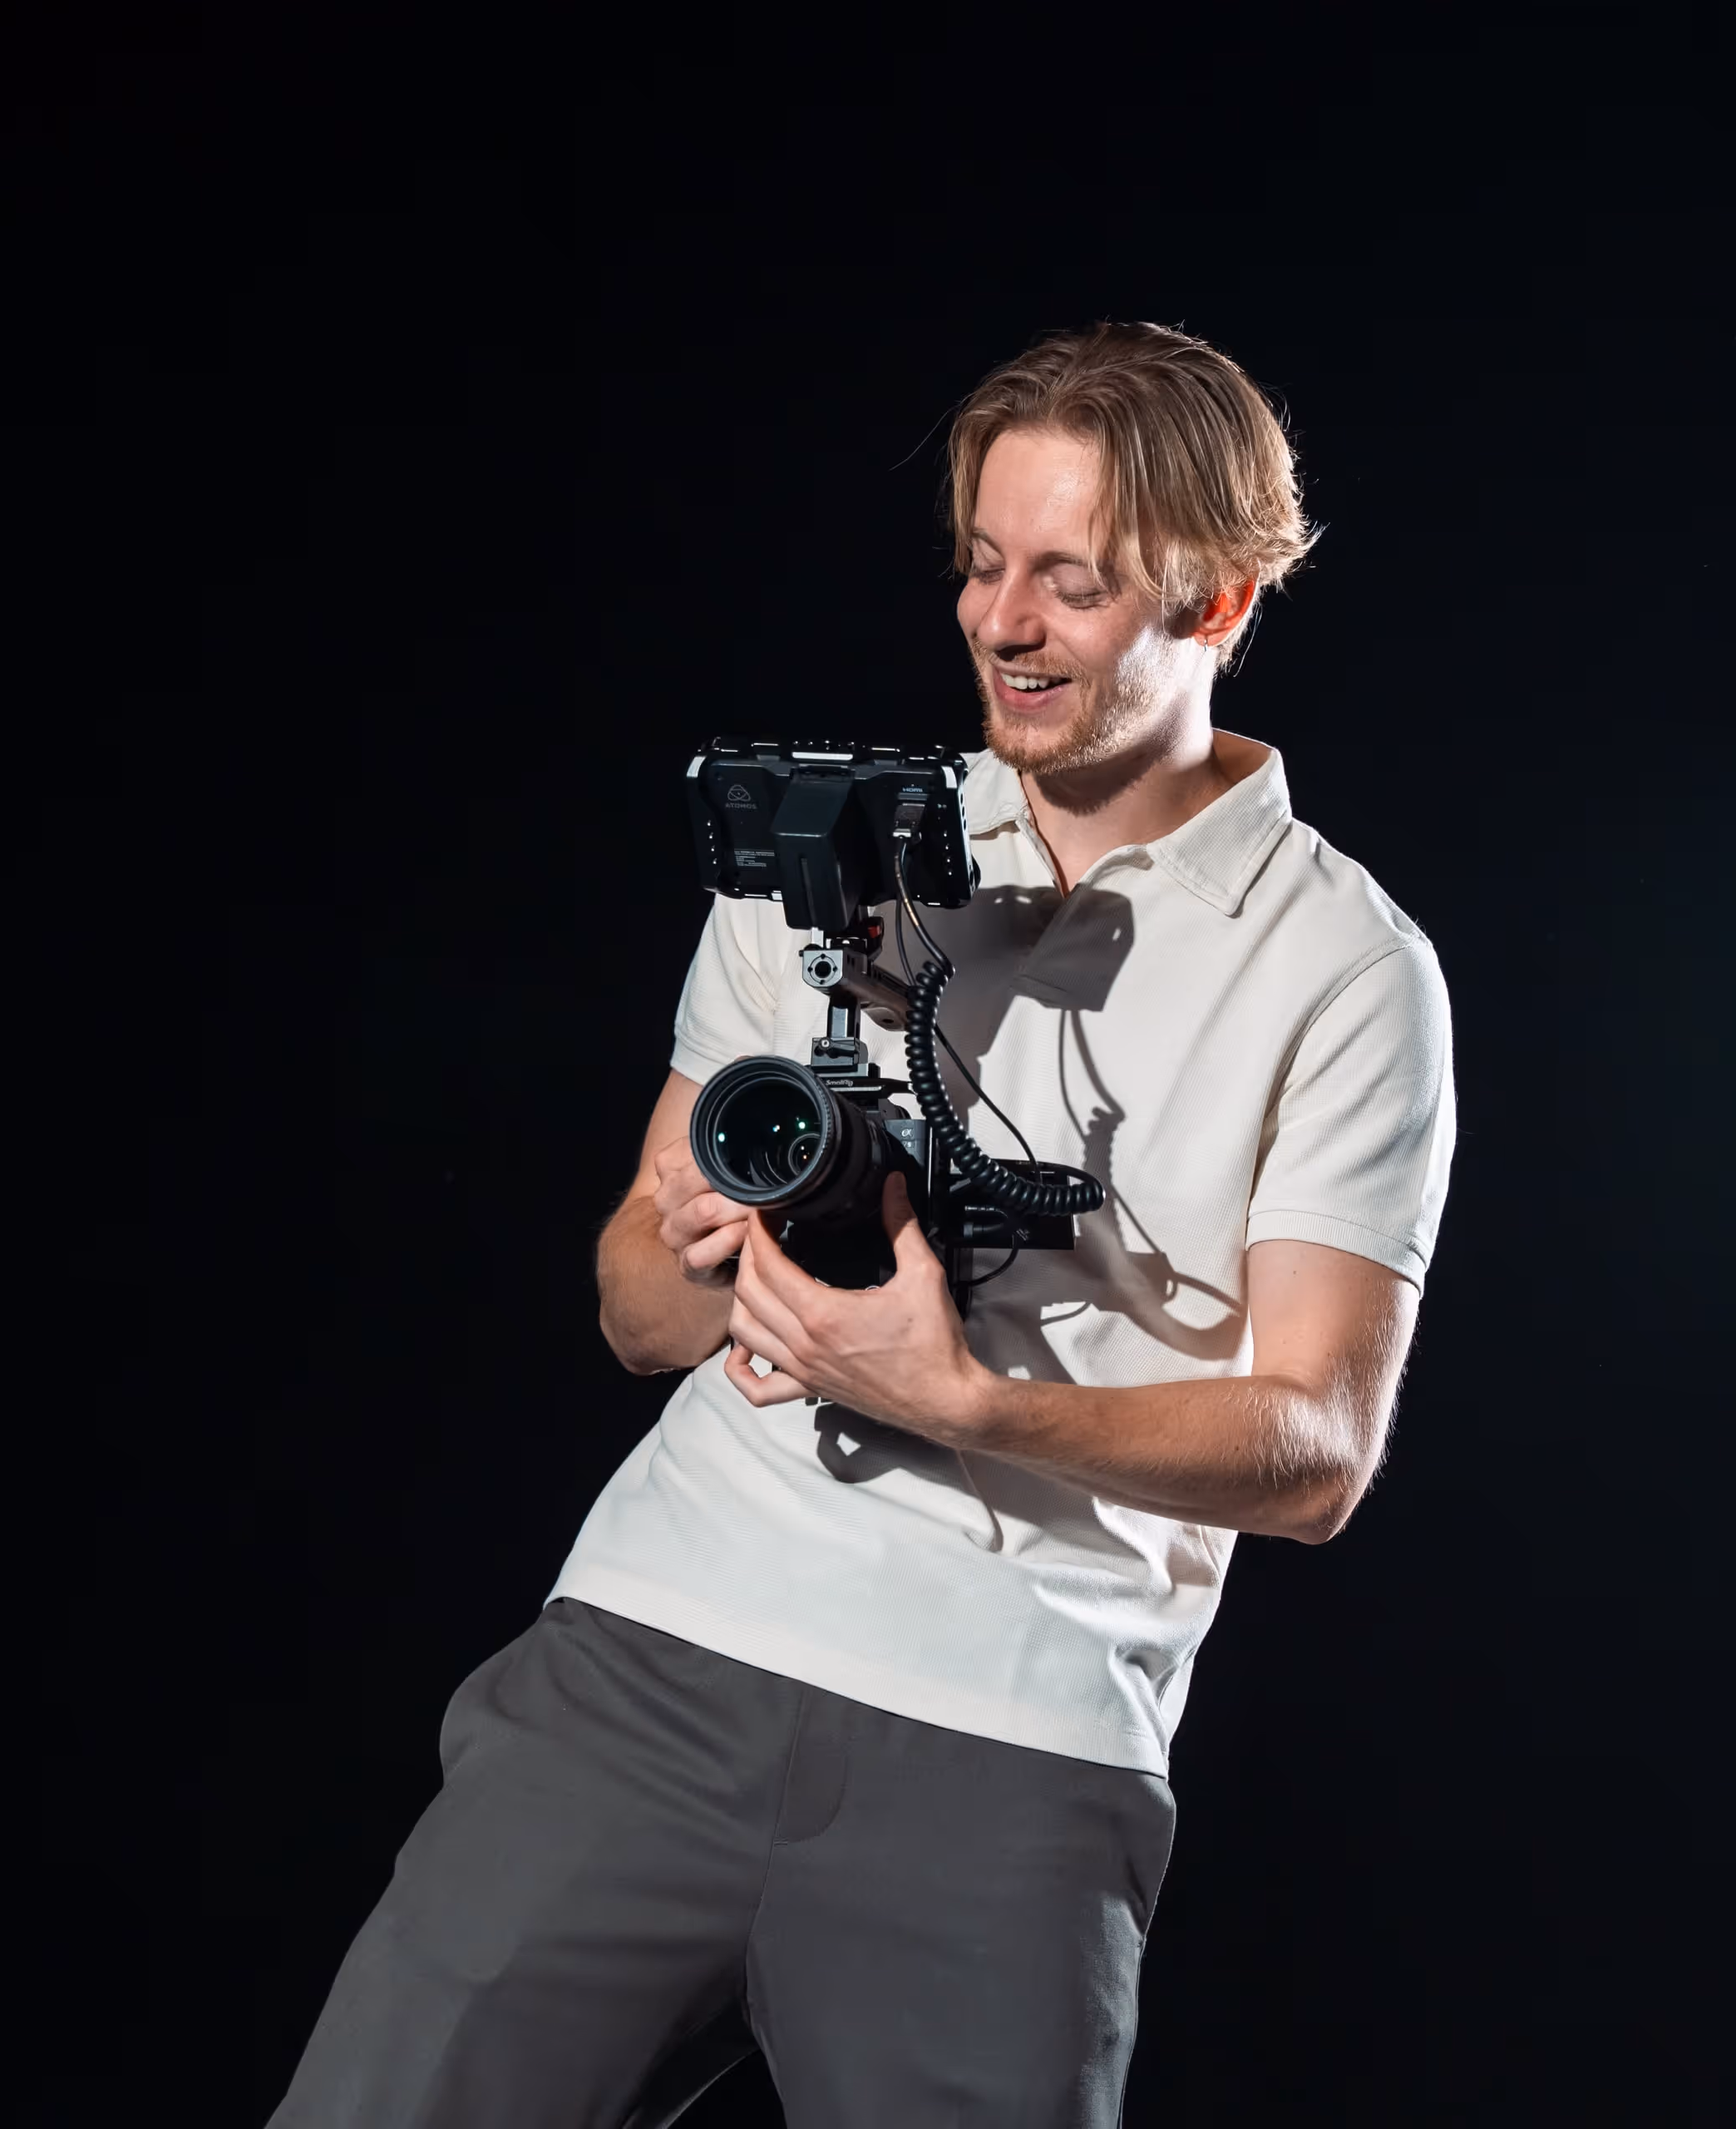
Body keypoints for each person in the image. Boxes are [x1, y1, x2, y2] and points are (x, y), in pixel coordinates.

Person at [269, 321, 1458, 2127]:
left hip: (1019, 1735)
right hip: (655, 1655)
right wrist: (687, 1242)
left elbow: (1316, 1445)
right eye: (983, 564)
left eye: (1070, 580)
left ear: (1216, 602)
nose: (1003, 622)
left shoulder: (1346, 966)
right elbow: (629, 1309)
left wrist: (969, 1402)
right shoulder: (828, 848)